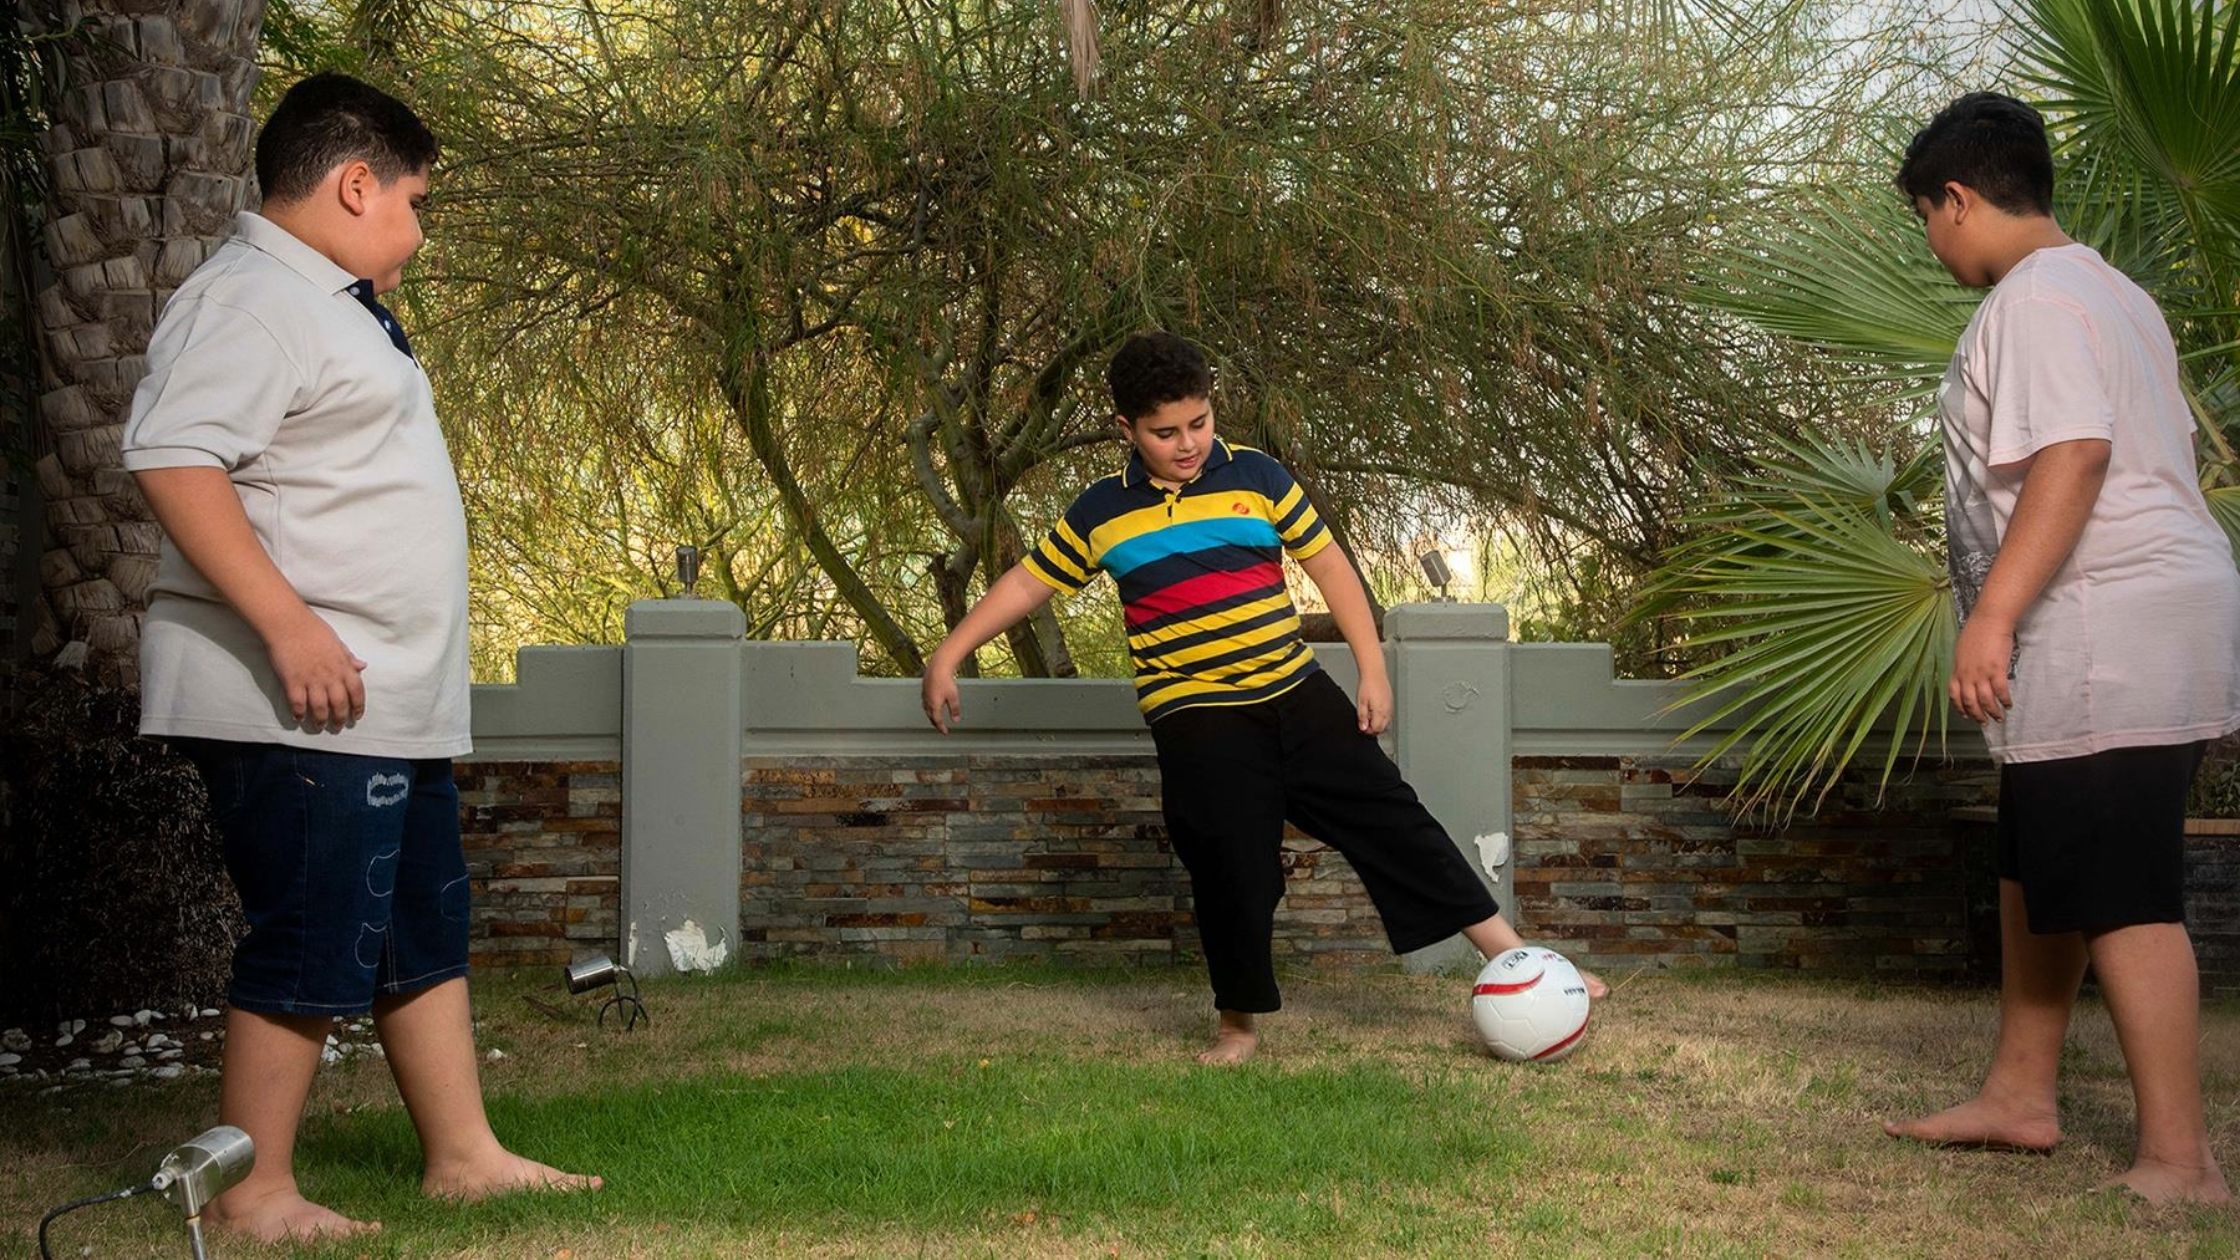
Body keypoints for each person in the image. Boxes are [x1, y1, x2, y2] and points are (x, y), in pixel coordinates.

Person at [123, 72, 599, 1241]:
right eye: (415, 203)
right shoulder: (250, 300)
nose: (419, 233)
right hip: (296, 700)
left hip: (380, 701)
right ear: (353, 184)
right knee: (313, 931)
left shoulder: (325, 301)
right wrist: (290, 625)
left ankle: (464, 1155)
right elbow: (175, 459)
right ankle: (253, 1193)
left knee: (414, 926)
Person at [919, 331, 1605, 1065]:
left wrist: (1371, 672)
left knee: (1397, 820)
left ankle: (1521, 962)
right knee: (1233, 866)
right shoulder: (1100, 512)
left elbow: (1332, 566)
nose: (1187, 444)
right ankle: (1237, 1025)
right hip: (1194, 711)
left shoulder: (1259, 477)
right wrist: (950, 654)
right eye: (1164, 432)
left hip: (1293, 688)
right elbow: (1029, 582)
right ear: (1126, 430)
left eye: (1199, 423)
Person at [1880, 92, 2240, 1205]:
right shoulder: (2110, 293)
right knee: (2038, 857)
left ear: (1954, 200)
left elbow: (2072, 457)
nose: (1929, 245)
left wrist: (1990, 615)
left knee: (2121, 885)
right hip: (2128, 612)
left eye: (1922, 221)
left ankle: (2181, 1163)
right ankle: (2018, 1093)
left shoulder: (2033, 301)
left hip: (2103, 620)